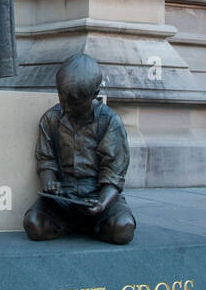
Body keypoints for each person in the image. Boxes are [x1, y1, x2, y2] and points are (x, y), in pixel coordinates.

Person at [23, 53, 136, 245]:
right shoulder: (51, 118)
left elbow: (114, 173)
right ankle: (80, 225)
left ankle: (90, 222)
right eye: (62, 98)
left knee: (122, 229)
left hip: (98, 195)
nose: (66, 107)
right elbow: (46, 159)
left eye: (74, 102)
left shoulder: (109, 121)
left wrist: (102, 203)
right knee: (33, 224)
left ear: (94, 94)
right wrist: (49, 181)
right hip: (63, 198)